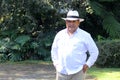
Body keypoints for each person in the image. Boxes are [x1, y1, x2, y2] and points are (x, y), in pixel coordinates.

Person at [51, 10, 99, 80]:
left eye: (74, 21)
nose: (71, 24)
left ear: (78, 22)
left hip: (78, 72)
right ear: (66, 22)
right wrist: (56, 63)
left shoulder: (85, 35)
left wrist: (87, 64)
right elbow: (54, 50)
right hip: (61, 72)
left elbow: (95, 51)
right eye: (69, 21)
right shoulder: (59, 35)